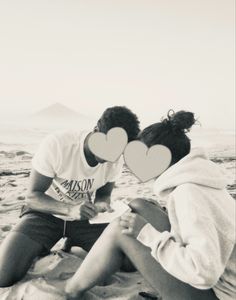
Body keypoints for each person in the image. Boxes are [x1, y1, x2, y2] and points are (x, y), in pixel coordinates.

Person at [65, 110, 236, 300]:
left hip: (221, 293)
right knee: (140, 205)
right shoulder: (201, 181)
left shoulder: (188, 194)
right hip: (221, 278)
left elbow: (203, 273)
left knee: (120, 229)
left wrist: (147, 234)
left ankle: (71, 291)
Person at [0, 106, 140, 287]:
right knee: (4, 276)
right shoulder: (58, 145)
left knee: (128, 264)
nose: (111, 157)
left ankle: (73, 242)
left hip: (85, 219)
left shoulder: (115, 160)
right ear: (96, 131)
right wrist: (69, 209)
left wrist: (102, 205)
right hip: (45, 214)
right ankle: (46, 244)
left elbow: (104, 195)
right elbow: (32, 197)